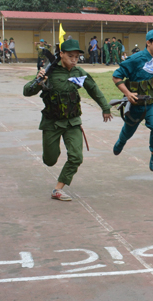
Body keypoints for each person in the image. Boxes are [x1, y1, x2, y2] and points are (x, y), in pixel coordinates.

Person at [23, 39, 112, 201]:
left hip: (72, 122)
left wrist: (105, 108)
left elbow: (94, 89)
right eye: (70, 56)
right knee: (50, 160)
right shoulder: (50, 72)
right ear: (61, 54)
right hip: (52, 122)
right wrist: (39, 81)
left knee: (76, 157)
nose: (74, 60)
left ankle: (58, 189)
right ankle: (51, 158)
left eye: (77, 57)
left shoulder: (79, 73)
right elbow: (27, 92)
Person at [111, 29, 153, 178]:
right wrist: (127, 93)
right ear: (148, 42)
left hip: (152, 103)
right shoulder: (135, 59)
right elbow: (116, 76)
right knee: (128, 132)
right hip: (135, 104)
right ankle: (121, 141)